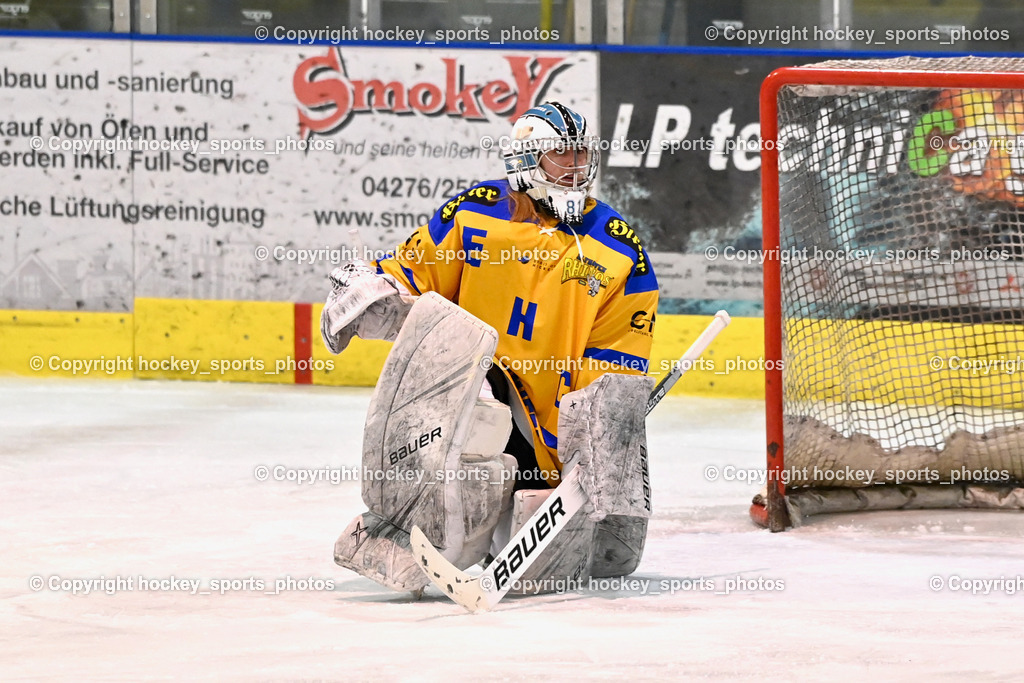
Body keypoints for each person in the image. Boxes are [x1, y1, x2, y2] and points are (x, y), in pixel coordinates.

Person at [321, 101, 659, 595]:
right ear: (525, 159)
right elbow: (414, 276)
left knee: (542, 540)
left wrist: (595, 432)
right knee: (474, 434)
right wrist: (371, 288)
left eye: (580, 154)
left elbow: (616, 353)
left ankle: (517, 522)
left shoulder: (618, 246)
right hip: (473, 385)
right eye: (558, 155)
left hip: (547, 410)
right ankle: (408, 533)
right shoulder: (474, 212)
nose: (574, 166)